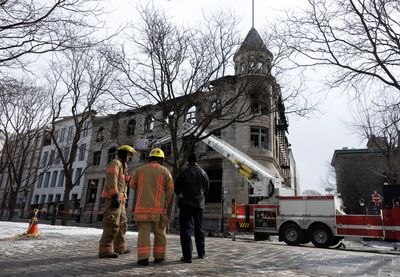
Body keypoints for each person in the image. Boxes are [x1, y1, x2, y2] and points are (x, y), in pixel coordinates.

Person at [129, 148, 174, 266]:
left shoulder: (139, 170)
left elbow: (132, 185)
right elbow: (170, 191)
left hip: (142, 208)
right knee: (160, 233)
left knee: (144, 232)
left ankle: (143, 258)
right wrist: (167, 205)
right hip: (159, 210)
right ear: (161, 159)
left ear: (150, 158)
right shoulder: (165, 171)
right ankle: (159, 257)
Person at [98, 145, 136, 258]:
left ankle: (120, 247)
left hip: (121, 201)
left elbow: (123, 181)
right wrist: (114, 195)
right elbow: (111, 180)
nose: (130, 157)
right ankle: (105, 250)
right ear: (124, 154)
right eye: (129, 155)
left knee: (122, 224)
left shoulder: (124, 166)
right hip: (113, 199)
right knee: (112, 224)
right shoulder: (115, 163)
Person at [175, 152, 209, 263]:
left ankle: (187, 256)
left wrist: (181, 194)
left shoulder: (184, 171)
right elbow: (207, 188)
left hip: (186, 203)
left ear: (188, 161)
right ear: (196, 160)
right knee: (199, 228)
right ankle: (201, 253)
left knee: (186, 229)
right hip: (199, 204)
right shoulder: (203, 172)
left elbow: (176, 187)